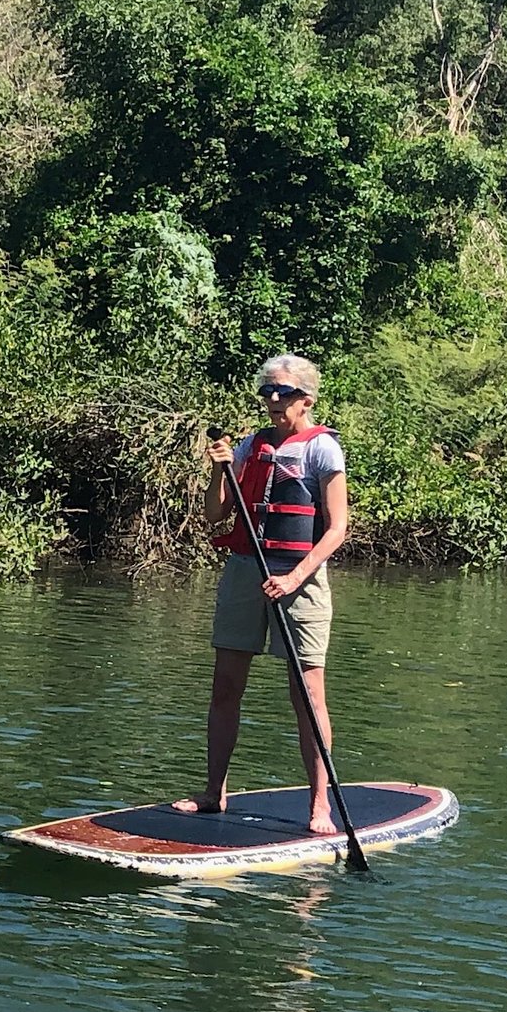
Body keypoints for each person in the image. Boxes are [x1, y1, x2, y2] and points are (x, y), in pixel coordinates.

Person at [175, 354, 350, 835]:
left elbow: (337, 529)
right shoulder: (249, 446)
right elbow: (215, 515)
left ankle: (320, 805)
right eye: (267, 392)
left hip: (301, 580)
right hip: (244, 572)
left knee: (307, 694)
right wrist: (218, 472)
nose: (273, 400)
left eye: (284, 393)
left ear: (305, 400)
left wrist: (295, 578)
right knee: (225, 684)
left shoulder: (322, 451)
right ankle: (214, 793)